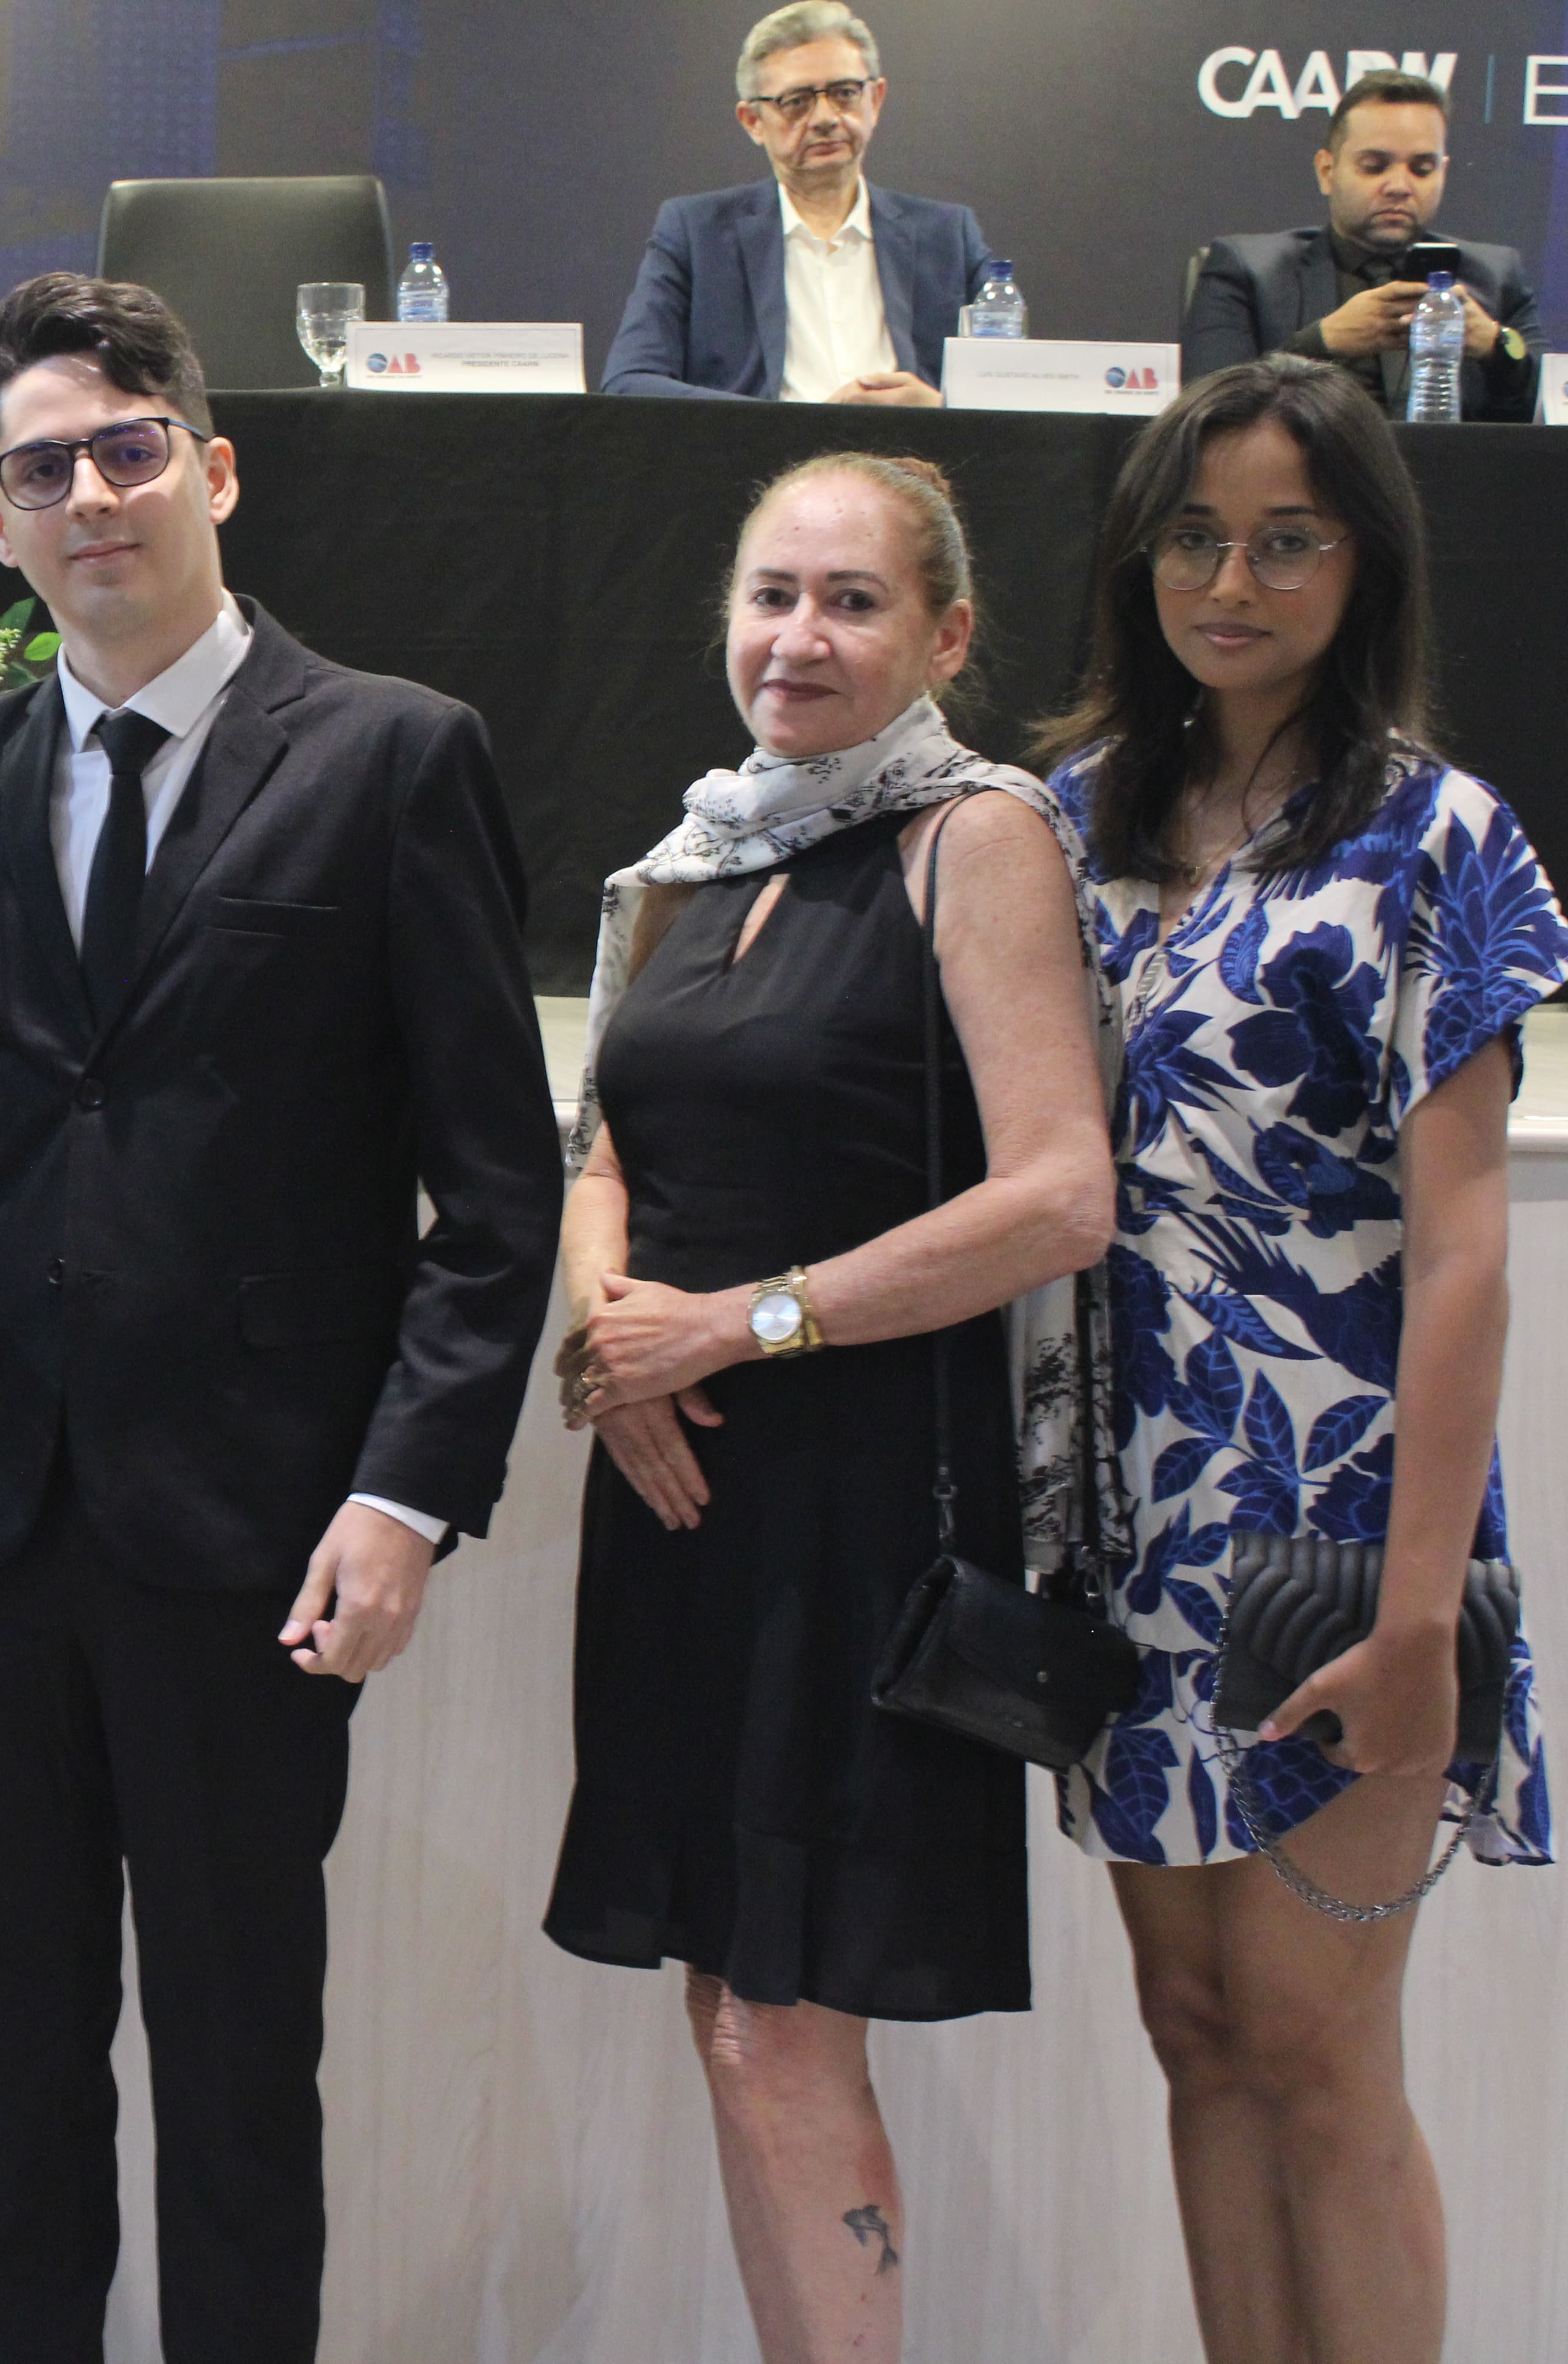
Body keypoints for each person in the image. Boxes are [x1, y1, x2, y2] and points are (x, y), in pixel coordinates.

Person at [0, 273, 562, 2363]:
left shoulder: (391, 756)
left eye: (125, 451)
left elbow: (496, 1191)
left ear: (213, 470)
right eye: (42, 468)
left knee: (234, 2079)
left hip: (254, 1532)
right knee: (15, 2080)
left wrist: (407, 1497)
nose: (88, 495)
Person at [546, 452, 1111, 2358]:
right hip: (678, 1499)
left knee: (781, 2025)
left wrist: (735, 1328)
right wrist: (612, 1341)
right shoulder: (693, 854)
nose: (798, 636)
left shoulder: (979, 837)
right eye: (770, 594)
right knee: (726, 2007)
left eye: (852, 601)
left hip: (858, 1512)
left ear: (946, 638)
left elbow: (1059, 1197)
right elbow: (603, 1142)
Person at [1041, 355, 1561, 2363]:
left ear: (1367, 566)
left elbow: (1465, 1258)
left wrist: (1423, 1621)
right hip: (1126, 1521)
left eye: (1286, 542)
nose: (1230, 583)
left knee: (1321, 2058)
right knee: (1197, 2034)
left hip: (1342, 1527)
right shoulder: (1070, 820)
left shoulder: (1436, 838)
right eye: (1193, 538)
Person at [603, 4, 987, 405]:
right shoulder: (697, 234)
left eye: (844, 93)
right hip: (765, 446)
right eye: (796, 101)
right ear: (753, 121)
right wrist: (795, 425)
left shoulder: (949, 236)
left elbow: (1015, 390)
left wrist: (939, 410)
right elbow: (630, 382)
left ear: (876, 99)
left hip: (913, 446)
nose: (824, 118)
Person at [1183, 68, 1543, 423]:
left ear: (1443, 173)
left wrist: (1496, 346)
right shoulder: (1246, 272)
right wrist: (1320, 344)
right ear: (1327, 171)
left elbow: (1552, 406)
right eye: (1375, 167)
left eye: (1421, 169)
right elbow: (1205, 413)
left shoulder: (1495, 277)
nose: (1399, 186)